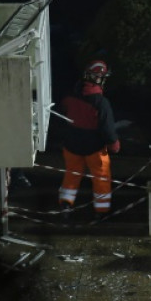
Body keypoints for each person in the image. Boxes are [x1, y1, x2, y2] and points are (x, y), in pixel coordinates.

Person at [57, 59, 120, 219]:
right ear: (99, 79)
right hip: (95, 148)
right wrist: (114, 145)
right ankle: (102, 211)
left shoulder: (69, 96)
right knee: (101, 178)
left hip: (71, 145)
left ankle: (65, 204)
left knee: (71, 175)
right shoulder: (101, 103)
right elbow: (108, 129)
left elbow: (61, 117)